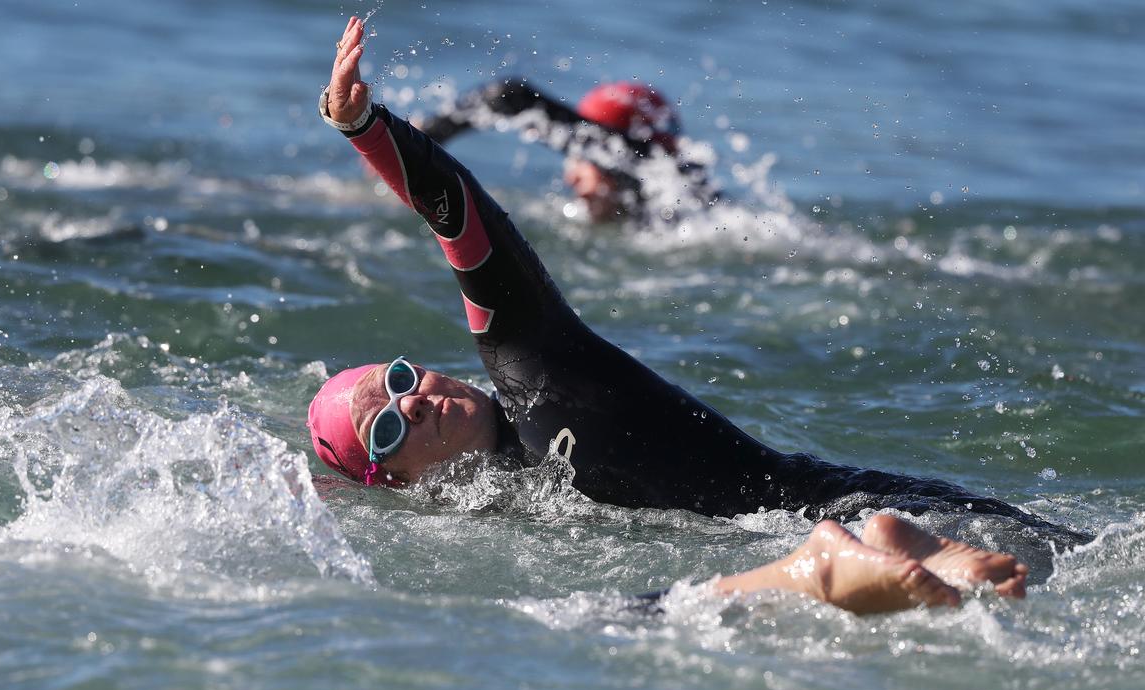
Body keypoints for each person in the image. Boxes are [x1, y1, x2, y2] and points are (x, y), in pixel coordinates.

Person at [310, 19, 1083, 613]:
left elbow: (462, 217)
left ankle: (835, 560)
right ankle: (864, 558)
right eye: (388, 428)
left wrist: (368, 130)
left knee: (1081, 566)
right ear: (399, 481)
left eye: (398, 378)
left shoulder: (531, 360)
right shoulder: (491, 506)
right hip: (846, 537)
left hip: (843, 504)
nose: (413, 401)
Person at [415, 75, 721, 222]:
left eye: (581, 156)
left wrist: (419, 140)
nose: (570, 177)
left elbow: (509, 97)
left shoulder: (638, 170)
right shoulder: (696, 202)